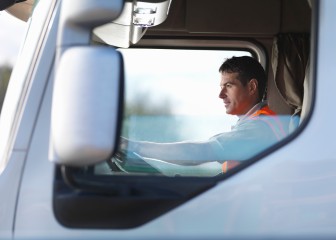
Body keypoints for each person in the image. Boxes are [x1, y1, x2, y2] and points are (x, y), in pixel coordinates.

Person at [117, 56, 287, 174]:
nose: (220, 95)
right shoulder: (259, 122)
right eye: (221, 86)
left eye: (228, 86)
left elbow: (197, 152)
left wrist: (133, 147)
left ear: (251, 87)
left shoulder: (258, 128)